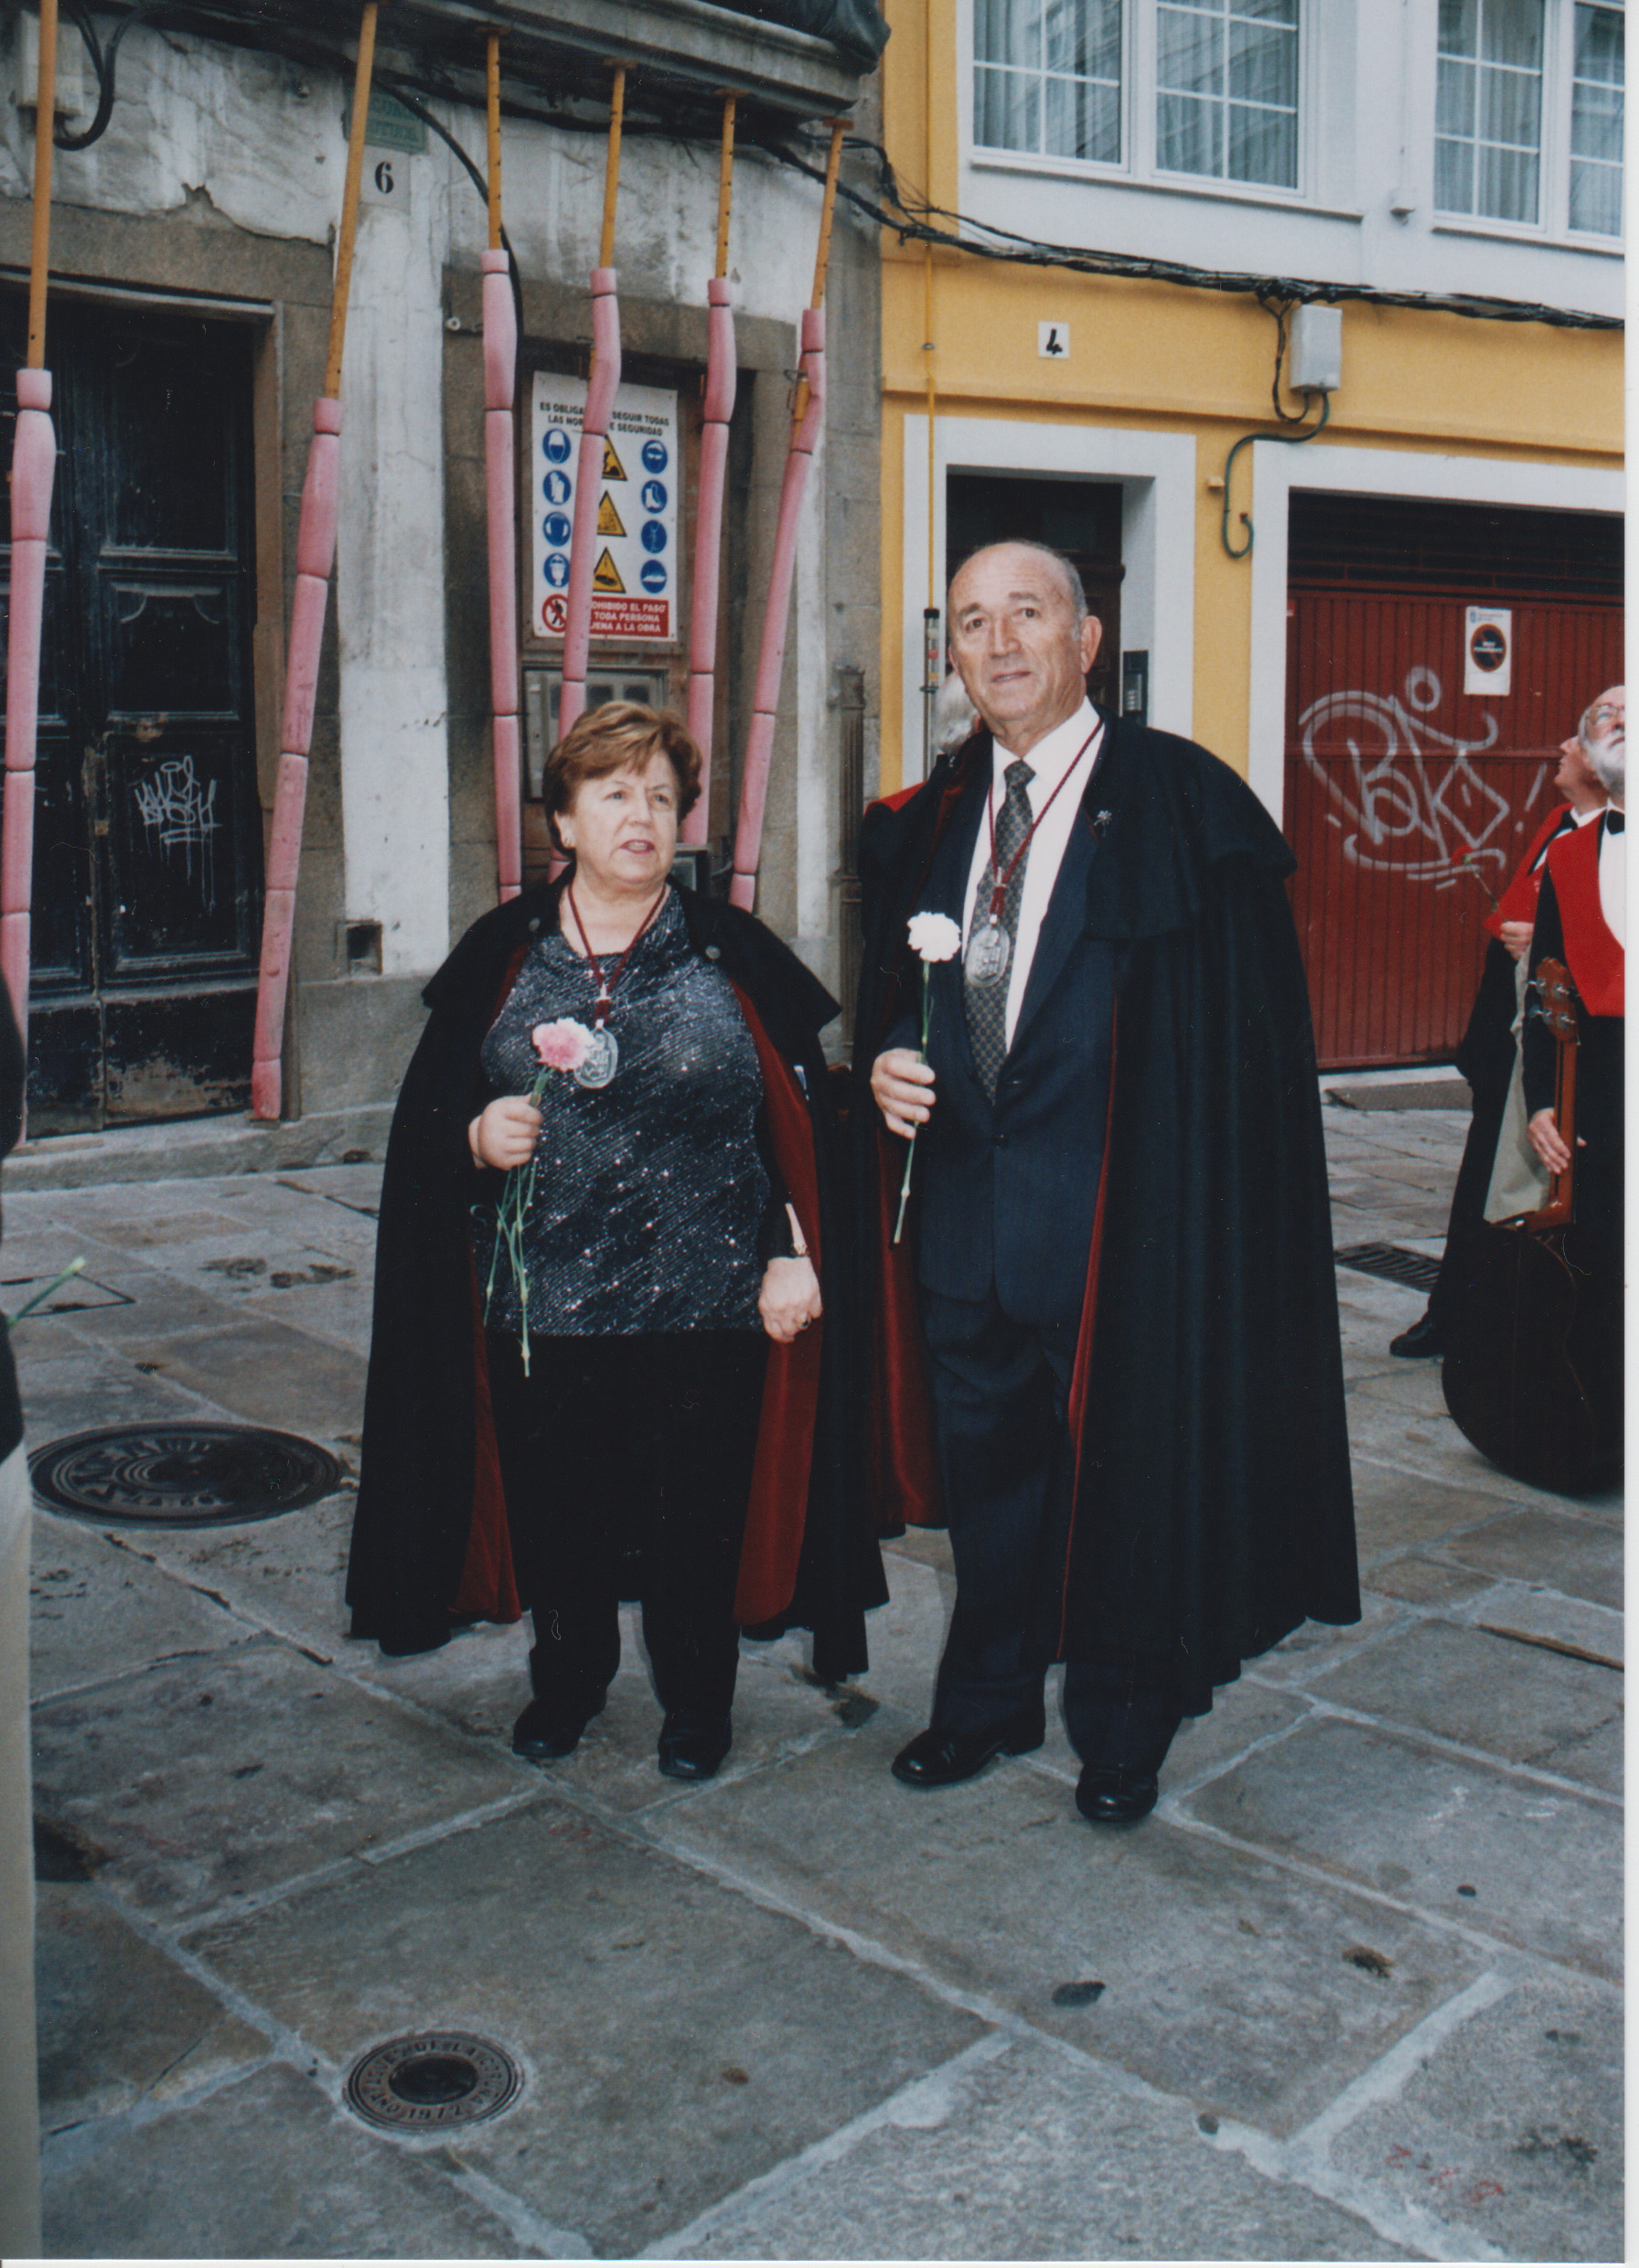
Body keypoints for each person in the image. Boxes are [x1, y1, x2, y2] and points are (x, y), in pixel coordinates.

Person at [855, 540, 1356, 1825]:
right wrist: (888, 1057)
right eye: (973, 621)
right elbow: (898, 996)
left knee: (1131, 1479)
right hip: (967, 1221)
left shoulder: (1187, 804)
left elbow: (1243, 1051)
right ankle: (987, 1698)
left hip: (1123, 1227)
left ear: (1087, 641)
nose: (1000, 641)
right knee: (987, 1478)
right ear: (952, 655)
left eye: (1028, 613)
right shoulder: (929, 818)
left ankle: (1124, 1722)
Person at [348, 702, 884, 1781]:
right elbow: (430, 1125)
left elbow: (795, 1130)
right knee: (559, 1518)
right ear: (563, 819)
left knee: (698, 1520)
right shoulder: (505, 953)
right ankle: (568, 1680)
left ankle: (697, 1702)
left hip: (707, 1299)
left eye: (661, 796)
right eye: (614, 792)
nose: (642, 815)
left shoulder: (730, 952)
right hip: (543, 1301)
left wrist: (791, 1248)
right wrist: (474, 1137)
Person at [1389, 696, 1613, 1358]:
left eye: (1579, 739)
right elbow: (1513, 918)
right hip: (1509, 1040)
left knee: (1536, 1194)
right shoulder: (1557, 825)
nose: (1562, 747)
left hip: (1565, 1053)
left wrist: (1545, 936)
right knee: (1481, 1185)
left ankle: (1511, 1331)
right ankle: (1452, 1313)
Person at [1523, 688, 1623, 1277]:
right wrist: (1542, 1101)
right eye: (1604, 715)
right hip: (1598, 1106)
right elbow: (1545, 985)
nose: (1620, 720)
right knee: (1600, 1280)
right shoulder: (1568, 854)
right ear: (1588, 750)